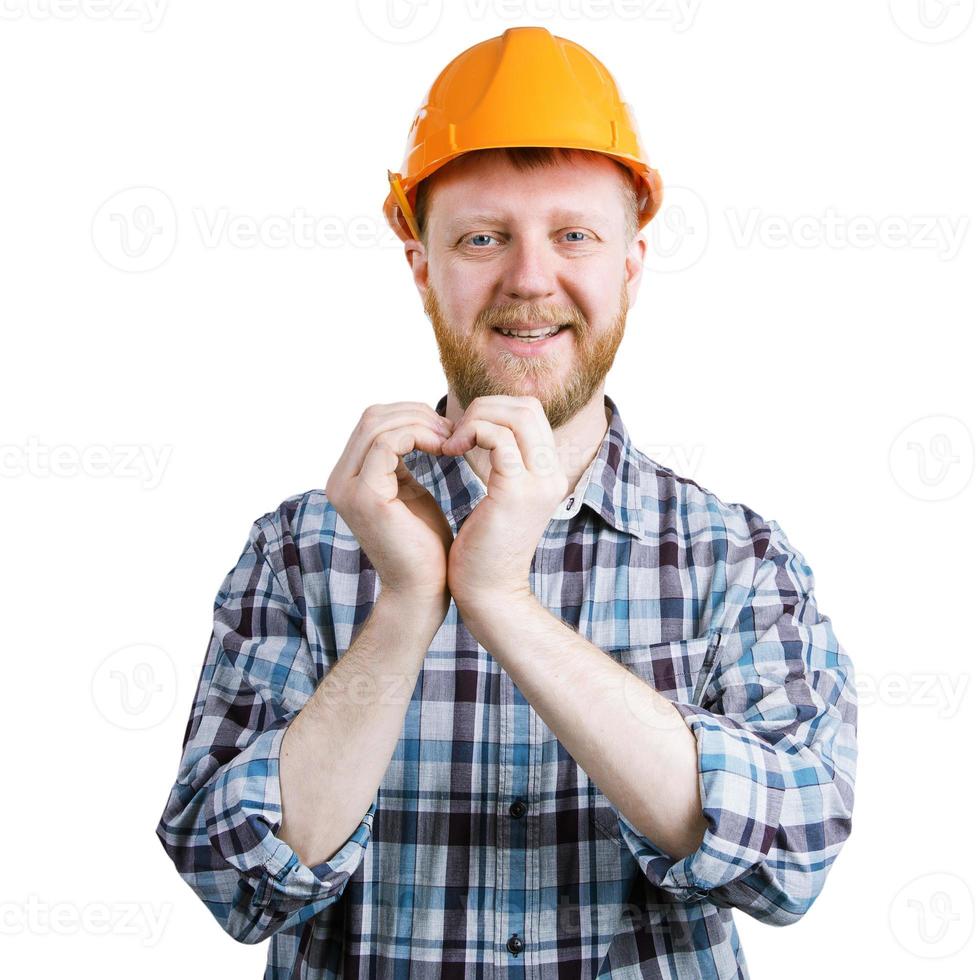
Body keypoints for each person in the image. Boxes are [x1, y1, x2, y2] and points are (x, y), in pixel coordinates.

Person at [155, 26, 858, 979]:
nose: (530, 278)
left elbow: (793, 857)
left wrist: (503, 604)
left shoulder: (732, 555)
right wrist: (406, 607)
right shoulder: (301, 550)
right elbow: (234, 883)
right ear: (422, 268)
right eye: (484, 237)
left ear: (631, 267)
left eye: (574, 234)